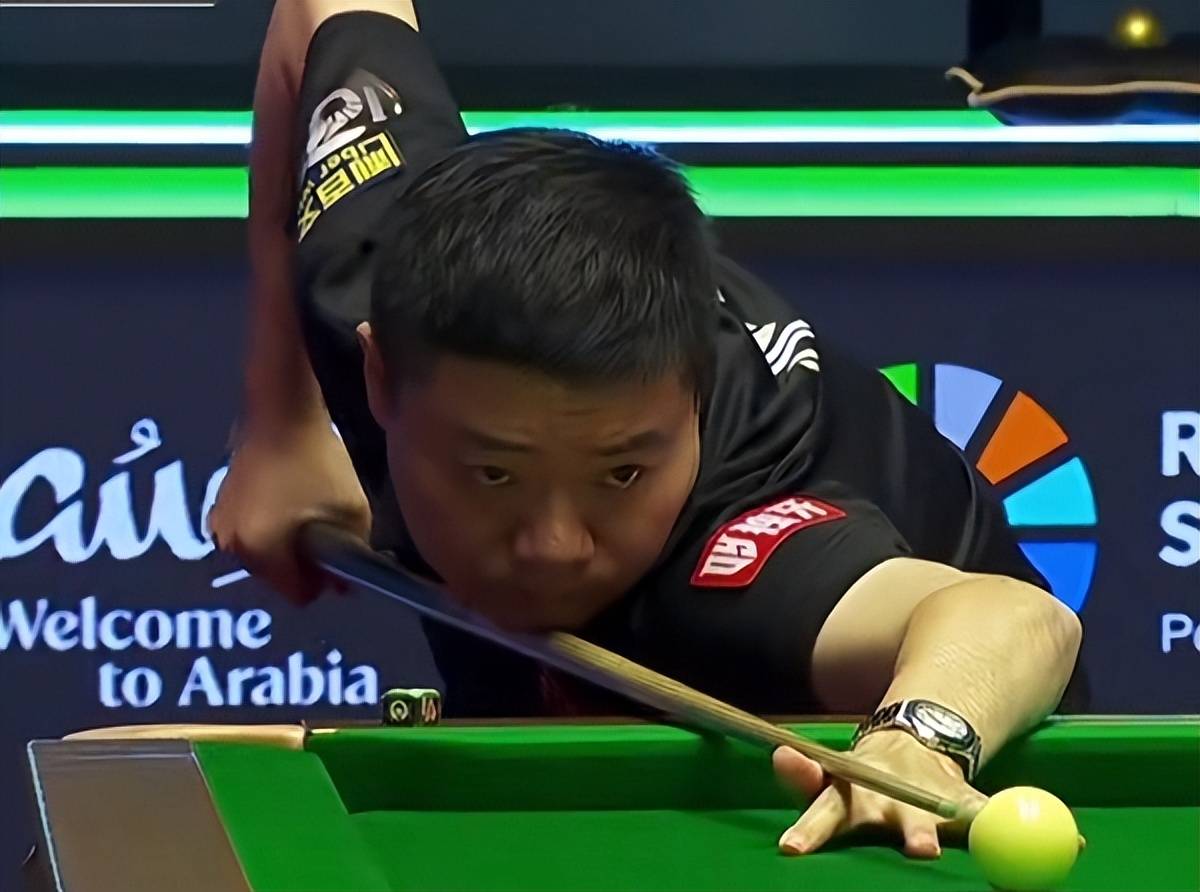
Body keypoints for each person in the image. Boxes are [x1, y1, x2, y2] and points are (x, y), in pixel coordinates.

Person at [210, 0, 1083, 859]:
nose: (555, 545)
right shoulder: (372, 258)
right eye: (495, 474)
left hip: (934, 775)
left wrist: (919, 739)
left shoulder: (744, 565)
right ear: (379, 376)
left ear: (694, 395)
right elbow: (323, 11)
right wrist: (281, 424)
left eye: (621, 474)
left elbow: (1017, 617)